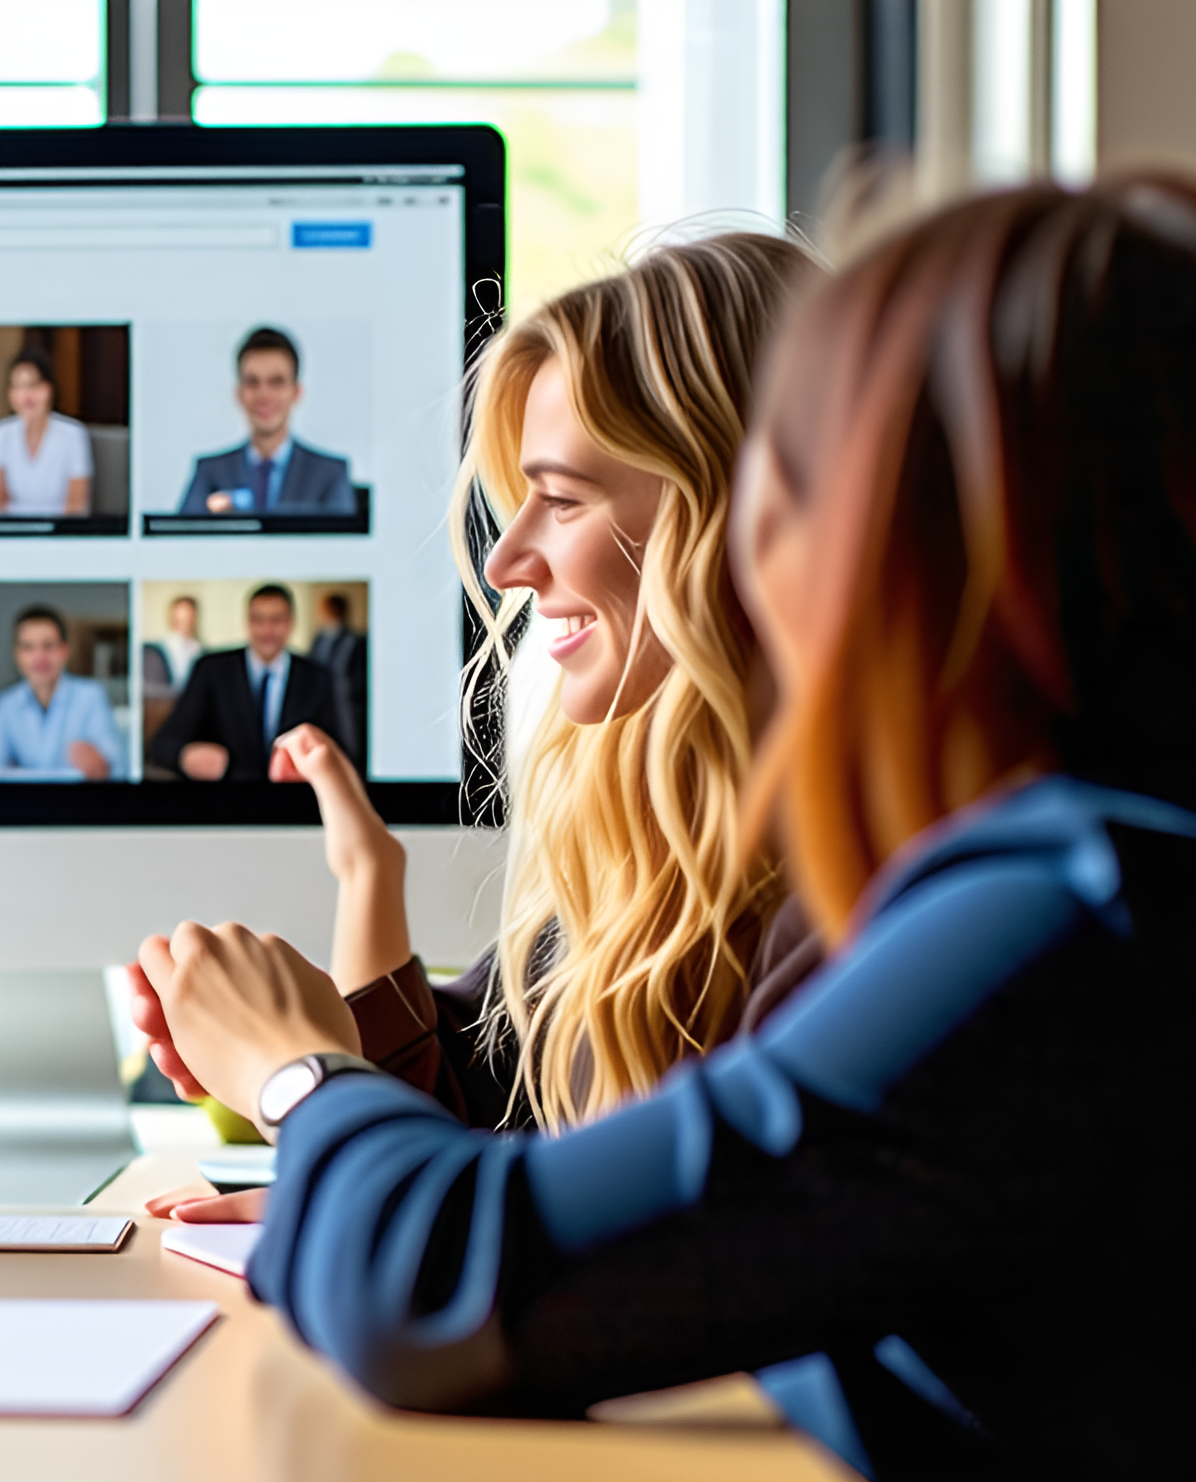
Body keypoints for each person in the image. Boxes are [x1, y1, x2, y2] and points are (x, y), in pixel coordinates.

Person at [136, 180, 1196, 1482]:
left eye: (806, 474)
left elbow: (430, 1282)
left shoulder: (1070, 931)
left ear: (923, 531)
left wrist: (302, 1079)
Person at [141, 233, 820, 1222]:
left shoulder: (846, 906)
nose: (506, 562)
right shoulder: (641, 844)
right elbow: (479, 1107)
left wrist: (297, 1079)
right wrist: (352, 915)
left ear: (733, 516)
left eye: (560, 500)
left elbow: (542, 1256)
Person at [147, 585, 346, 782]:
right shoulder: (210, 670)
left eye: (275, 620)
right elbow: (163, 744)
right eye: (258, 619)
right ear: (248, 623)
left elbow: (342, 752)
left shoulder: (318, 678)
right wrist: (184, 756)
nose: (266, 630)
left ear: (290, 623)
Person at [176, 327, 356, 515]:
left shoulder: (329, 475)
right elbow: (181, 541)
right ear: (239, 394)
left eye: (276, 382)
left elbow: (341, 543)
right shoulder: (210, 473)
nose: (264, 395)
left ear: (296, 392)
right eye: (252, 382)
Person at [0, 606, 124, 782]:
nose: (39, 657)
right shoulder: (5, 704)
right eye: (28, 647)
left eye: (48, 646)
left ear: (64, 651)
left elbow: (116, 769)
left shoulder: (91, 696)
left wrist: (99, 765)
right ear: (17, 655)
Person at [0, 346, 92, 515]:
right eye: (18, 387)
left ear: (48, 389)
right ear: (10, 394)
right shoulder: (1, 433)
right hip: (14, 534)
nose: (26, 395)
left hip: (60, 536)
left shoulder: (73, 435)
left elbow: (76, 506)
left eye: (33, 385)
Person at [305, 591, 366, 769]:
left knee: (350, 744)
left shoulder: (355, 641)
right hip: (320, 702)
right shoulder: (319, 638)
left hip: (347, 703)